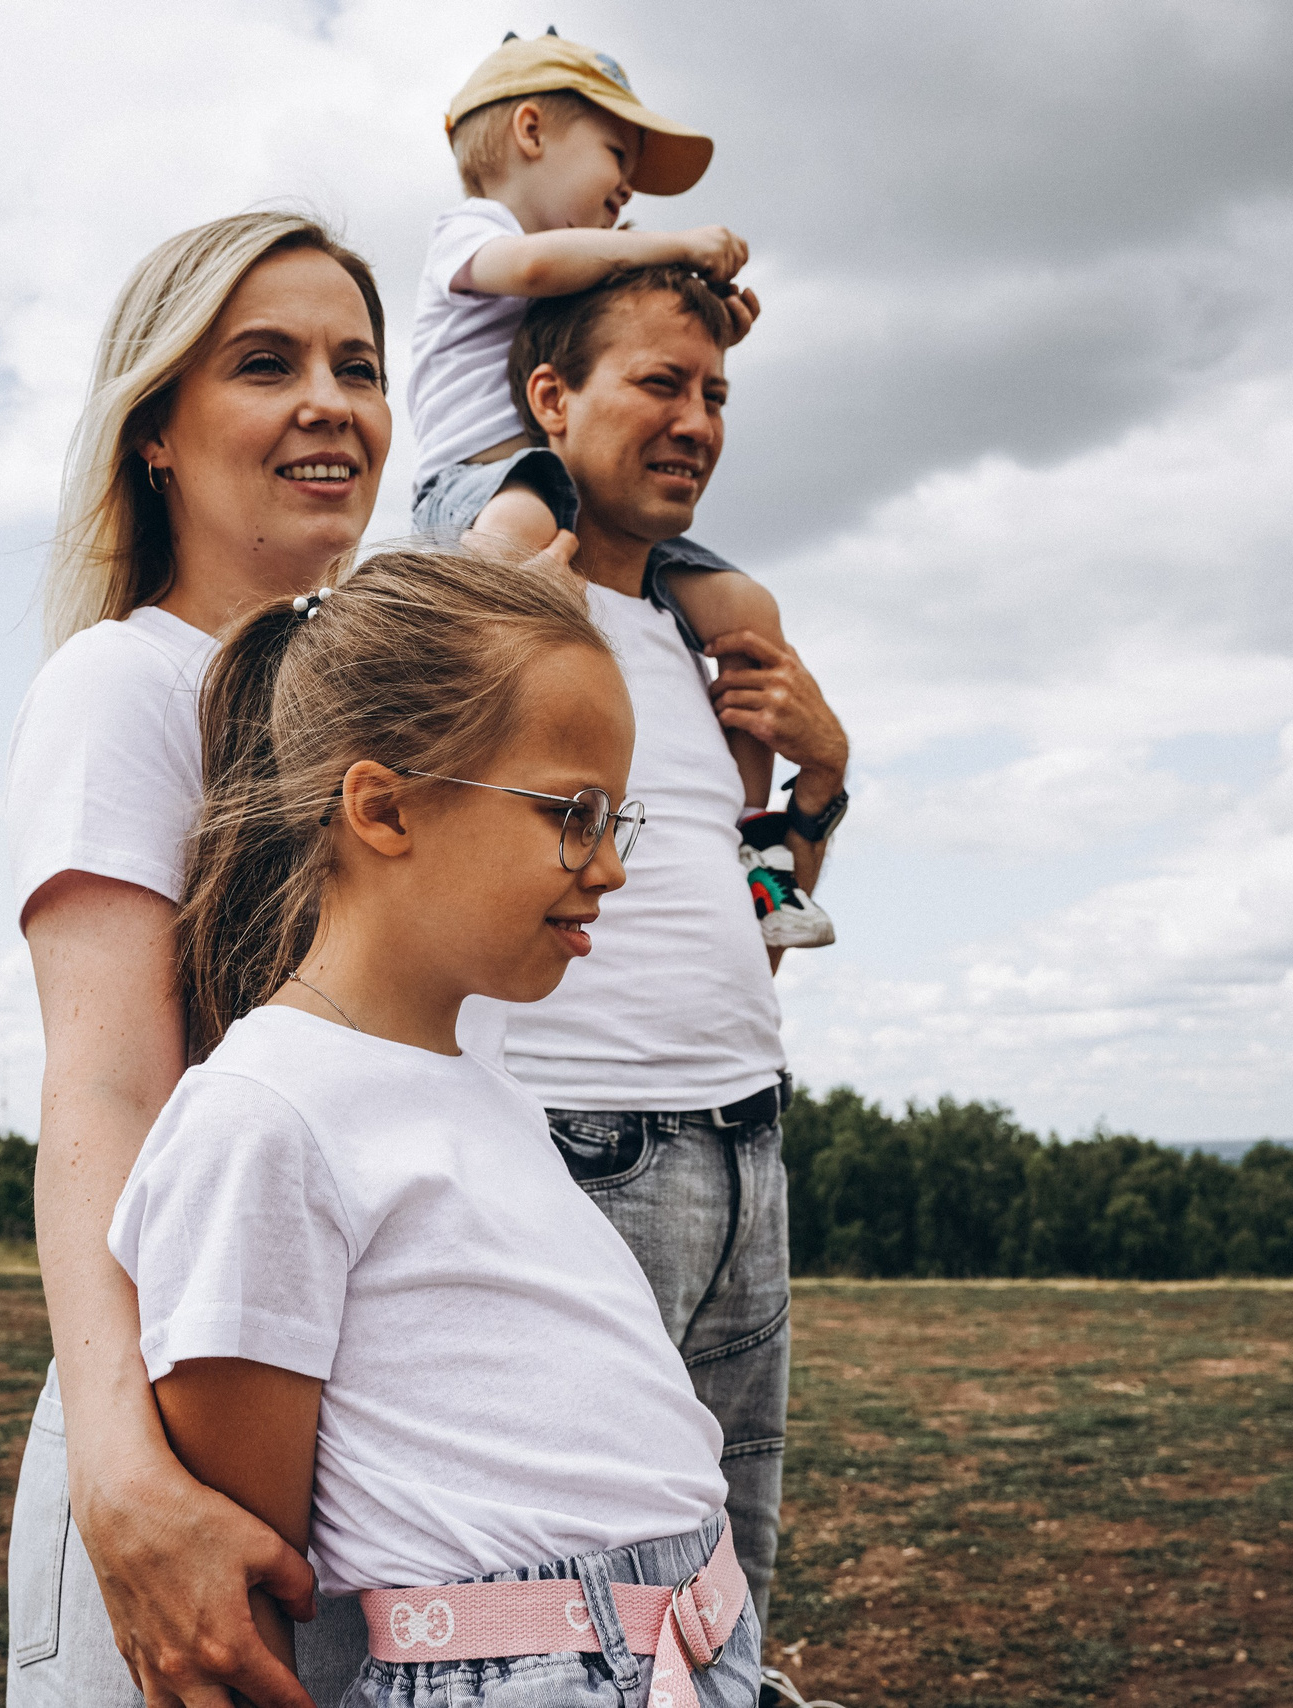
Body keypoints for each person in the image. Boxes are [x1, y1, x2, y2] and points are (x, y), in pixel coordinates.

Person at [110, 545, 761, 1708]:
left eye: (617, 819)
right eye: (572, 814)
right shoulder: (262, 1118)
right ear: (383, 806)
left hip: (689, 1653)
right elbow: (251, 1587)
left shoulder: (484, 1089)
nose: (610, 868)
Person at [4, 209, 414, 1708]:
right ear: (156, 434)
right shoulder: (127, 684)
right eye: (265, 364)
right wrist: (123, 1478)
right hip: (186, 1455)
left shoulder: (401, 734)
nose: (330, 403)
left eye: (358, 367)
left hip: (383, 1464)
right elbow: (106, 1093)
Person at [471, 264, 853, 1641]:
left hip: (746, 1136)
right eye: (659, 384)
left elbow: (754, 935)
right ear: (552, 400)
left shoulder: (701, 653)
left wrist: (821, 785)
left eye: (716, 395)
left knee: (728, 1579)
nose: (697, 422)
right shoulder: (507, 611)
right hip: (581, 1142)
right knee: (585, 1597)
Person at [409, 34, 829, 948]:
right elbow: (538, 273)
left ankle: (753, 847)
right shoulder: (476, 234)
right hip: (478, 482)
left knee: (748, 611)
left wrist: (698, 321)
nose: (629, 188)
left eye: (711, 395)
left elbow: (608, 324)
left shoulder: (578, 269)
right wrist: (677, 244)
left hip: (554, 487)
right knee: (518, 536)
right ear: (530, 131)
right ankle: (450, 698)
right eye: (615, 154)